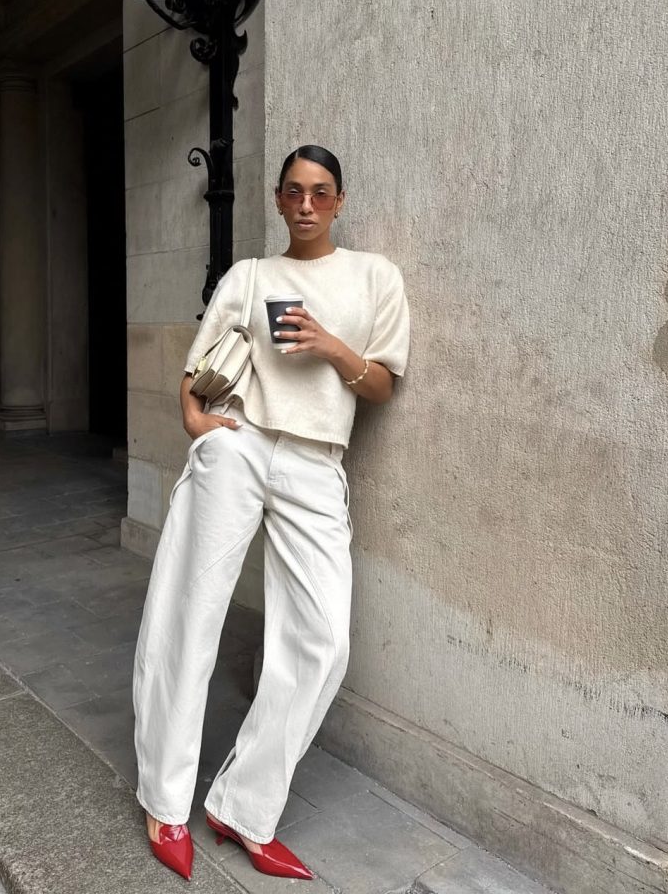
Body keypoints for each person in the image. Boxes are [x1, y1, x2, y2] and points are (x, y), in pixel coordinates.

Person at [132, 145, 410, 881]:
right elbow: (198, 367)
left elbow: (382, 384)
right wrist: (196, 422)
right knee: (190, 613)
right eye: (293, 191)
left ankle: (242, 806)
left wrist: (329, 345)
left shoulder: (374, 276)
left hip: (316, 462)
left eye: (320, 191)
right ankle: (164, 800)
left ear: (340, 200)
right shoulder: (250, 276)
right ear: (279, 200)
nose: (306, 204)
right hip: (242, 443)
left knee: (322, 640)